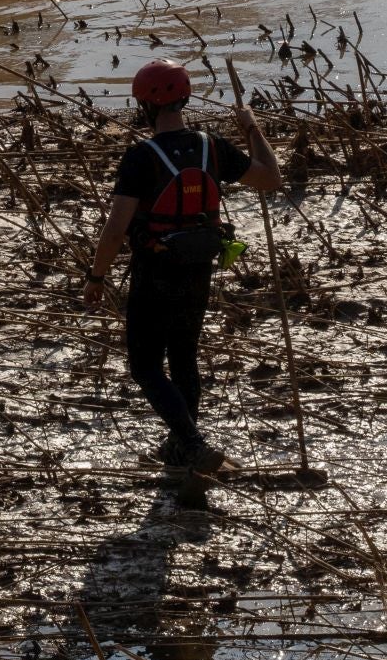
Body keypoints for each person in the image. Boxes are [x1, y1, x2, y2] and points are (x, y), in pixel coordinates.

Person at [84, 58, 282, 474]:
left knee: (144, 366)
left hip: (155, 271)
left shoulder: (140, 157)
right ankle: (181, 447)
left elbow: (116, 229)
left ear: (145, 105)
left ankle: (191, 443)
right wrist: (250, 126)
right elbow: (270, 178)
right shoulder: (212, 147)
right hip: (198, 267)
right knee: (184, 358)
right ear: (186, 97)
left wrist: (96, 276)